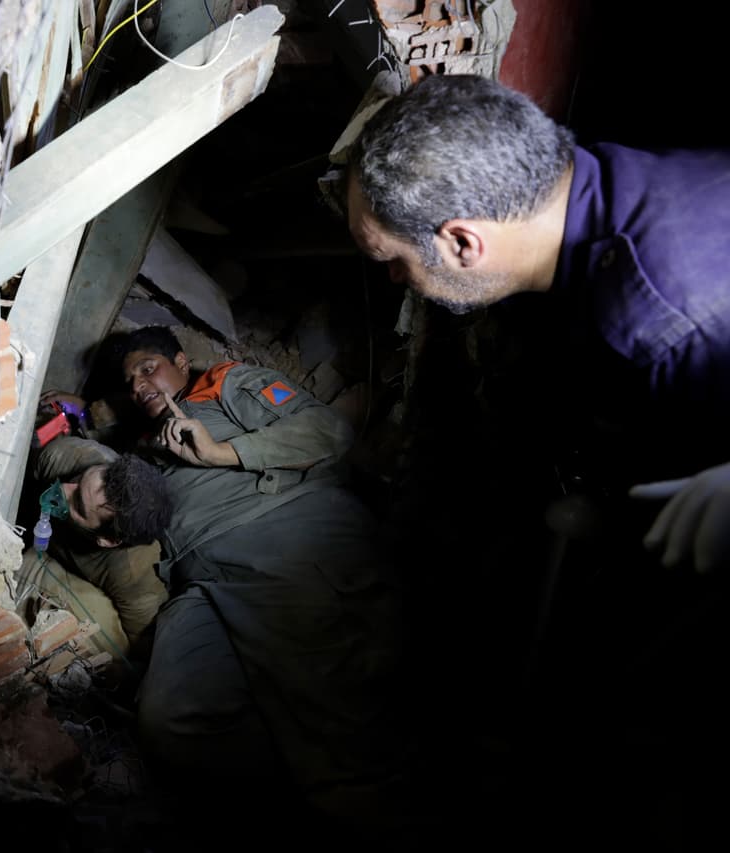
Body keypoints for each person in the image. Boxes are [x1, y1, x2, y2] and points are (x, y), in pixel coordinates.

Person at [345, 72, 730, 574]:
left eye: (394, 260)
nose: (396, 278)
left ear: (463, 243)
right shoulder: (598, 177)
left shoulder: (665, 322)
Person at [67, 326, 408, 831]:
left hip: (280, 533)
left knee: (340, 714)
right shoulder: (145, 443)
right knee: (170, 721)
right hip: (203, 578)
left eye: (147, 369)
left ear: (182, 363)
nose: (139, 385)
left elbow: (329, 432)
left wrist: (220, 453)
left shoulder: (225, 384)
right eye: (130, 381)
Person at [21, 441, 172, 656]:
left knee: (112, 647)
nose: (63, 489)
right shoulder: (71, 456)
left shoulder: (133, 572)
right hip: (32, 532)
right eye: (78, 480)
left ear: (108, 540)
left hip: (60, 570)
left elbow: (144, 646)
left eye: (77, 503)